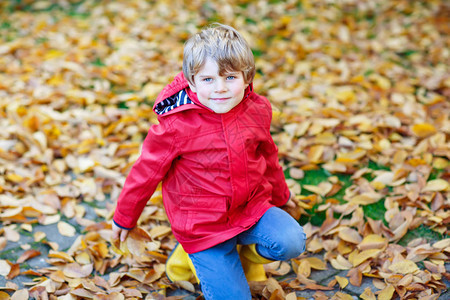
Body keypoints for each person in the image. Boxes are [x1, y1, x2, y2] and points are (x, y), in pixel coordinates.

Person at [112, 23, 306, 299]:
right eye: (208, 80)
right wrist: (124, 219)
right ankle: (195, 257)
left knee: (291, 241)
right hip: (202, 226)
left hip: (250, 209)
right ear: (191, 81)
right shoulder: (175, 125)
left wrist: (282, 197)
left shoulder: (257, 109)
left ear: (247, 76)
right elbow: (145, 173)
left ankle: (243, 252)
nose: (220, 89)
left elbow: (268, 156)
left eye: (230, 78)